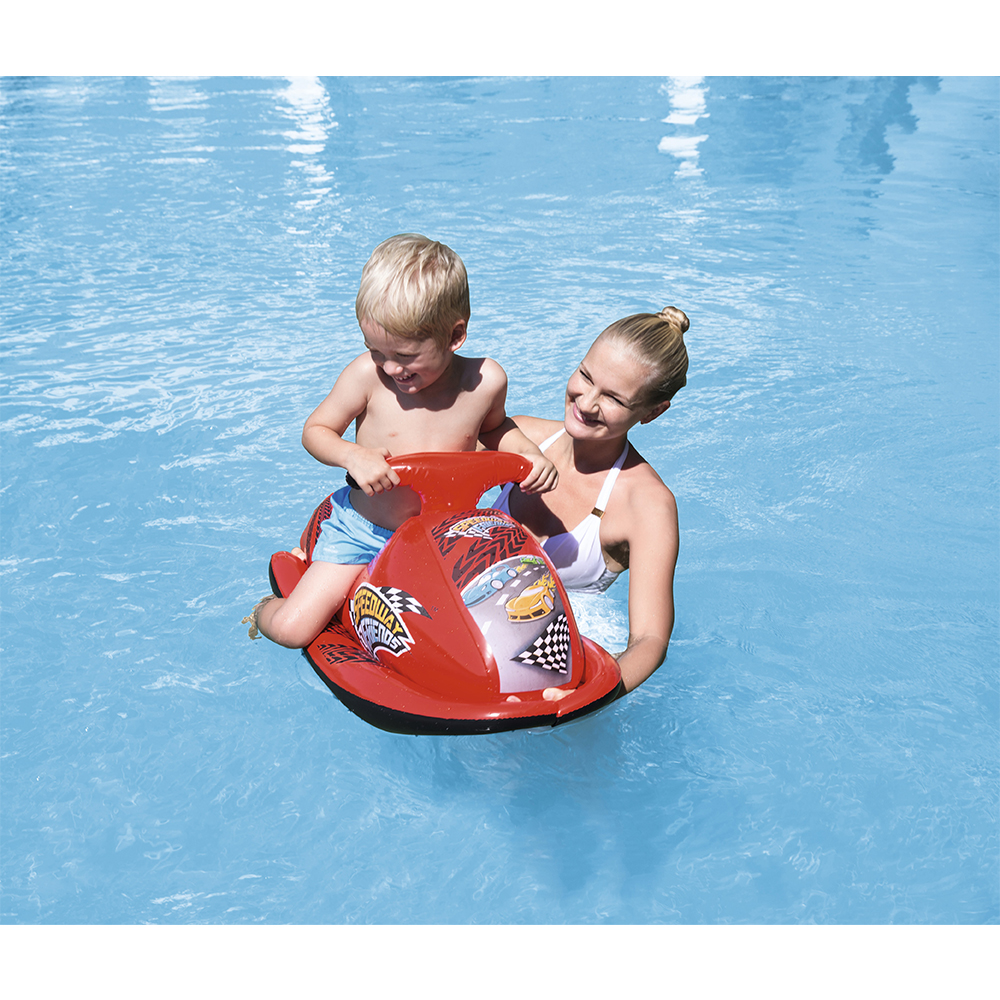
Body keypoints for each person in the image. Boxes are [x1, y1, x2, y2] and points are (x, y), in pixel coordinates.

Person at [245, 234, 557, 648]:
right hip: (366, 532)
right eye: (376, 350)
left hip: (448, 538)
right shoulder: (366, 377)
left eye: (405, 355)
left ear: (455, 335)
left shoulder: (485, 382)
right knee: (293, 630)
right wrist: (353, 456)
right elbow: (316, 431)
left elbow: (496, 429)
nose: (391, 368)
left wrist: (529, 454)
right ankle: (265, 608)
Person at [482, 307, 689, 697]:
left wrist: (590, 695)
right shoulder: (519, 437)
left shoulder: (647, 504)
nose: (587, 402)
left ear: (652, 412)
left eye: (613, 398)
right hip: (473, 628)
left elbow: (650, 639)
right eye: (586, 376)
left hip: (561, 663)